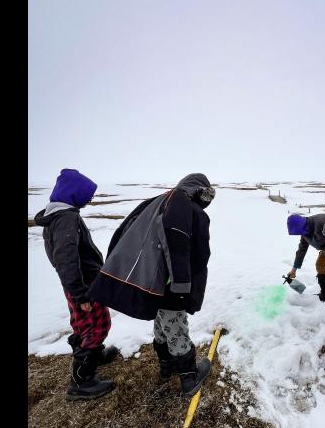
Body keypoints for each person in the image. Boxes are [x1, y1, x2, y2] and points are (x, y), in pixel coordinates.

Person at [88, 173, 215, 396]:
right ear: (198, 191)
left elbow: (125, 231)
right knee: (176, 324)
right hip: (174, 280)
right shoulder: (189, 210)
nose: (208, 199)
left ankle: (166, 366)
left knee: (162, 319)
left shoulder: (161, 202)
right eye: (206, 193)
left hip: (153, 279)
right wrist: (186, 287)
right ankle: (188, 376)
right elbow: (194, 253)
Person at [34, 169, 119, 401]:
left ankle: (93, 357)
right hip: (84, 285)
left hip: (78, 284)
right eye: (86, 195)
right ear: (74, 193)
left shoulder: (59, 215)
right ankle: (82, 381)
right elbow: (66, 259)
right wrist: (81, 294)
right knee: (98, 325)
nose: (89, 200)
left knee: (83, 324)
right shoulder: (66, 219)